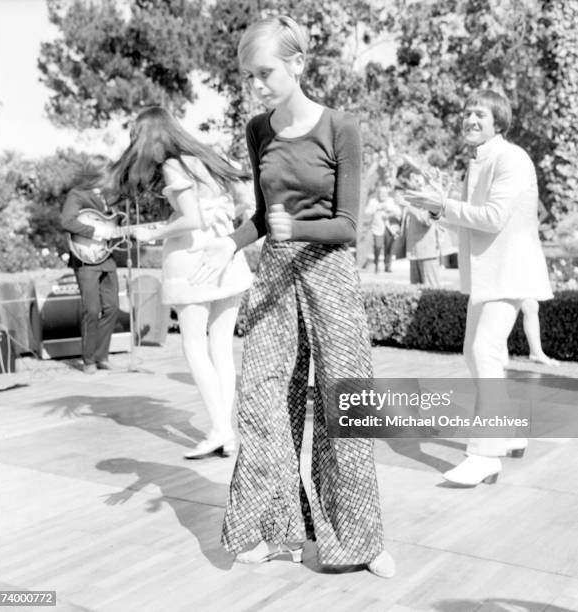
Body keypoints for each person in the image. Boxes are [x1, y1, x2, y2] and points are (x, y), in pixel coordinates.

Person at [191, 15, 394, 577]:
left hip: (328, 271)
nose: (256, 86)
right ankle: (269, 531)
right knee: (261, 401)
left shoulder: (340, 128)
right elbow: (262, 216)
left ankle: (363, 541)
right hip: (277, 273)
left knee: (343, 404)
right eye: (249, 76)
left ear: (298, 64)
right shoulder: (259, 130)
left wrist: (293, 230)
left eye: (265, 73)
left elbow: (348, 225)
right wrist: (230, 244)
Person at [405, 89, 553, 486]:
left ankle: (485, 454)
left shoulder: (511, 158)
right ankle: (507, 434)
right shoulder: (480, 161)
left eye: (480, 114)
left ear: (498, 122)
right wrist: (435, 209)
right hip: (489, 276)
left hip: (509, 271)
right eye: (467, 113)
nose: (470, 119)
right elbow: (471, 223)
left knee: (484, 352)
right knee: (477, 355)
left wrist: (444, 204)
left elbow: (492, 218)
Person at [110, 106, 253, 459]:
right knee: (221, 348)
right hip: (226, 256)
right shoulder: (206, 158)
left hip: (193, 262)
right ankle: (226, 431)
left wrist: (153, 232)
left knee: (194, 346)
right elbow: (238, 205)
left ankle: (220, 429)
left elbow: (192, 218)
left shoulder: (173, 165)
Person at [61, 159, 120, 374]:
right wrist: (95, 232)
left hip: (107, 258)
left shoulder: (109, 196)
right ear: (96, 175)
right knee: (92, 310)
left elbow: (113, 223)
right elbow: (67, 222)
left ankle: (101, 355)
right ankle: (88, 360)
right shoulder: (77, 194)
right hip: (86, 259)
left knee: (113, 308)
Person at [365, 185, 401, 273]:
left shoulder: (391, 201)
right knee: (378, 246)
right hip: (377, 228)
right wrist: (377, 207)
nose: (382, 195)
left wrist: (389, 209)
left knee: (389, 247)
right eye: (381, 193)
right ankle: (376, 264)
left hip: (390, 228)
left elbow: (398, 212)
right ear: (378, 193)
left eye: (384, 193)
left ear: (387, 194)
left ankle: (387, 266)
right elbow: (367, 212)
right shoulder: (373, 201)